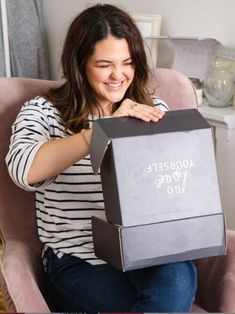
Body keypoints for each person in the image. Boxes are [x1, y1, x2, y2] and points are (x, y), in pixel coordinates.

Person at [6, 3, 197, 313]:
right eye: (104, 64)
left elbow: (176, 182)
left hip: (146, 250)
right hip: (78, 259)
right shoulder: (44, 112)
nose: (118, 75)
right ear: (80, 65)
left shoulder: (152, 109)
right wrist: (101, 132)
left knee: (176, 277)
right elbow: (23, 171)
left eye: (127, 63)